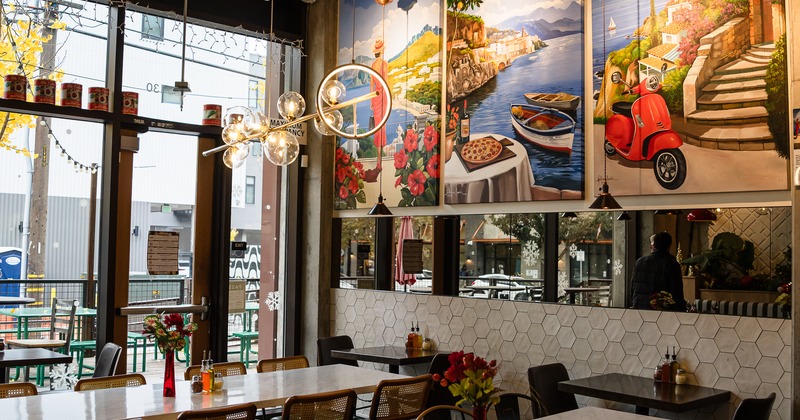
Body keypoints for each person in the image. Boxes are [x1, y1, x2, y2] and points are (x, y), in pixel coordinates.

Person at [630, 232, 686, 310]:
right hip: (661, 310)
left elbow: (633, 288)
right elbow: (676, 292)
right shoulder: (672, 264)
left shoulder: (640, 262)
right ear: (669, 246)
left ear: (654, 245)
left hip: (640, 308)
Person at [364, 37, 389, 183]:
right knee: (382, 127)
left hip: (376, 97)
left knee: (378, 127)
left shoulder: (373, 65)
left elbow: (371, 85)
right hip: (384, 96)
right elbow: (387, 82)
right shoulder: (384, 64)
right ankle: (380, 160)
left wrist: (371, 102)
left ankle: (379, 160)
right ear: (382, 50)